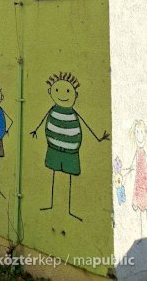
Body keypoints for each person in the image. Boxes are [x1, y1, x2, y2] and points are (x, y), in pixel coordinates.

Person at [30, 71, 109, 221]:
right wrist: (35, 130)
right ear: (50, 92)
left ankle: (68, 209)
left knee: (69, 178)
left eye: (68, 91)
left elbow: (86, 124)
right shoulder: (52, 110)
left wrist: (99, 138)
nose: (62, 94)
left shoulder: (73, 113)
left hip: (70, 151)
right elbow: (43, 120)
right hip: (54, 148)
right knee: (55, 174)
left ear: (75, 95)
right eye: (57, 90)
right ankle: (52, 204)